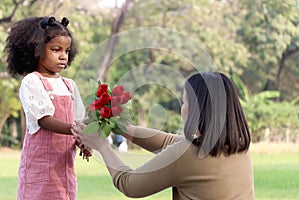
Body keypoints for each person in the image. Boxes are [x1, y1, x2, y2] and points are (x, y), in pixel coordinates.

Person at [75, 72, 255, 199]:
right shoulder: (237, 146)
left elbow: (130, 185)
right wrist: (122, 127)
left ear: (195, 108)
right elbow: (170, 142)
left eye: (184, 101)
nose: (182, 107)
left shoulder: (187, 154)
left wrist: (103, 146)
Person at [5, 16, 91, 200]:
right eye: (55, 49)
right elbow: (44, 119)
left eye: (67, 51)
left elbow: (78, 122)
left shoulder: (69, 86)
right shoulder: (33, 81)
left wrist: (83, 141)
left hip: (64, 169)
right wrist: (75, 130)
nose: (63, 56)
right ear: (35, 50)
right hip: (40, 169)